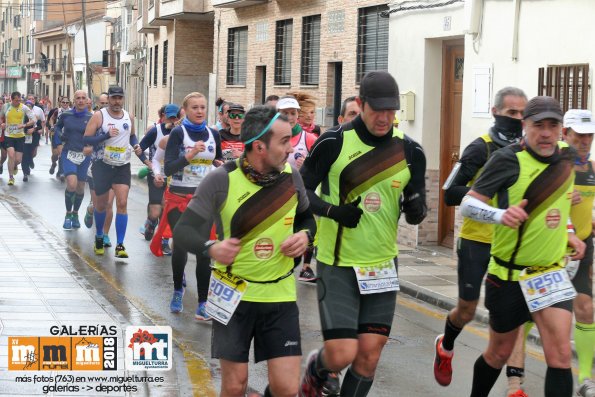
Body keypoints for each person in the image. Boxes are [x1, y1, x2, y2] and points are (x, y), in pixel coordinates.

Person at [298, 71, 427, 397]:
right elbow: (299, 192)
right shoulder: (333, 142)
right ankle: (318, 368)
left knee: (369, 355)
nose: (384, 117)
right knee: (342, 353)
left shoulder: (411, 151)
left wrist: (416, 209)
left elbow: (417, 207)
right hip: (338, 262)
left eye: (391, 110)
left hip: (382, 265)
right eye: (376, 109)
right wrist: (332, 211)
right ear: (361, 104)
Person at [173, 105, 316, 397]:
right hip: (233, 297)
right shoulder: (222, 180)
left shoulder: (292, 177)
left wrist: (305, 235)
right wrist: (211, 248)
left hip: (280, 296)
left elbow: (306, 217)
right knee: (235, 386)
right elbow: (183, 231)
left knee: (286, 388)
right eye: (284, 141)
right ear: (260, 146)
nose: (291, 149)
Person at [460, 96, 586, 397]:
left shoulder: (567, 159)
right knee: (499, 353)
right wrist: (501, 215)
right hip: (508, 276)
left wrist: (569, 231)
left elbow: (560, 203)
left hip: (550, 274)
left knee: (560, 356)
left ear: (561, 130)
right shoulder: (507, 159)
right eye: (537, 125)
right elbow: (467, 204)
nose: (545, 133)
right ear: (524, 126)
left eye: (552, 126)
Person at [435, 87, 529, 394]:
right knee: (467, 308)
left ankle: (515, 383)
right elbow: (450, 193)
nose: (516, 119)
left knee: (511, 317)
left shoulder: (526, 153)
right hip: (477, 239)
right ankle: (446, 344)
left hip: (511, 244)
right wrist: (491, 195)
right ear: (495, 112)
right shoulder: (480, 148)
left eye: (521, 114)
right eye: (510, 113)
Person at [152, 92, 222, 320]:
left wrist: (223, 165)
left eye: (203, 107)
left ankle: (202, 302)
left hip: (203, 200)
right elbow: (169, 168)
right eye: (194, 107)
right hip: (179, 199)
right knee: (180, 246)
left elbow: (218, 161)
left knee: (204, 251)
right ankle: (178, 290)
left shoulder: (213, 134)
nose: (200, 111)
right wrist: (189, 155)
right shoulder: (178, 134)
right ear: (186, 110)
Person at [83, 86, 147, 258]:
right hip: (102, 165)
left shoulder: (129, 116)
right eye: (114, 98)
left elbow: (132, 135)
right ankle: (98, 236)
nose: (117, 101)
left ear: (123, 99)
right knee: (102, 205)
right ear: (109, 99)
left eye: (120, 98)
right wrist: (105, 135)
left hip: (122, 165)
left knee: (122, 203)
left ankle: (120, 244)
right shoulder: (99, 116)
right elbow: (87, 139)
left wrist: (135, 144)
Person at [561, 109, 595, 396]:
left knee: (586, 310)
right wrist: (560, 195)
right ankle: (516, 376)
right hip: (552, 248)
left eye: (589, 136)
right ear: (565, 135)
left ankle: (585, 378)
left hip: (583, 248)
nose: (585, 141)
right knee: (533, 313)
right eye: (579, 136)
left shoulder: (591, 168)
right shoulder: (556, 166)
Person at [277, 95, 318, 282]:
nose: (290, 117)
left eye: (293, 113)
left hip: (301, 195)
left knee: (304, 231)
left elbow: (319, 170)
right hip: (277, 196)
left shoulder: (309, 138)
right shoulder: (272, 137)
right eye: (285, 113)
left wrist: (305, 168)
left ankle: (305, 267)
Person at [138, 103, 179, 243]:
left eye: (176, 118)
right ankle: (150, 222)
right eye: (170, 118)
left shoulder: (181, 132)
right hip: (156, 174)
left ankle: (164, 240)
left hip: (173, 177)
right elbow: (139, 148)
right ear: (162, 116)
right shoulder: (155, 131)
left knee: (166, 206)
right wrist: (147, 163)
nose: (173, 121)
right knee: (156, 211)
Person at [54, 90, 93, 230]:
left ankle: (75, 214)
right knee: (71, 184)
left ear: (87, 100)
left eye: (83, 98)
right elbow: (57, 127)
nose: (81, 100)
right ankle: (67, 214)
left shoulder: (92, 117)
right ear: (74, 100)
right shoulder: (66, 115)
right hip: (68, 153)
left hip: (84, 155)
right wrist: (59, 139)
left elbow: (98, 134)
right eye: (78, 98)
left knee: (81, 187)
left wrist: (92, 146)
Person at [0, 91, 36, 185]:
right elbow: (1, 117)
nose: (18, 102)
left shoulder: (24, 107)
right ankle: (11, 177)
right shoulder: (6, 107)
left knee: (18, 160)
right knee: (11, 155)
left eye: (20, 100)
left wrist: (24, 125)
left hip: (20, 136)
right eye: (16, 100)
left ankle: (14, 165)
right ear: (11, 99)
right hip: (9, 135)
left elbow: (33, 120)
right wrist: (2, 124)